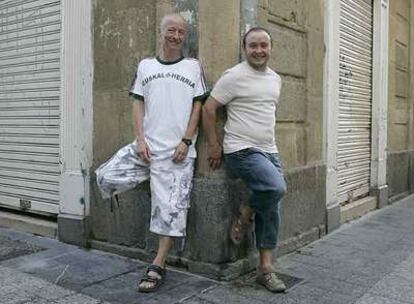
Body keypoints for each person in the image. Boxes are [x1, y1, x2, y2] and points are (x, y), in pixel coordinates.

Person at [95, 13, 207, 293]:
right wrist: (140, 139)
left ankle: (158, 263)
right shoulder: (145, 66)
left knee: (170, 212)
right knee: (105, 177)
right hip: (146, 148)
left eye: (181, 32)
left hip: (177, 153)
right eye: (171, 30)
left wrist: (186, 140)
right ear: (162, 32)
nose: (176, 36)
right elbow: (138, 104)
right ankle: (156, 187)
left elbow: (198, 106)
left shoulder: (193, 67)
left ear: (185, 35)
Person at [202, 27, 287, 293]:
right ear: (244, 48)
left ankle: (266, 269)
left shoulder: (275, 79)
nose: (259, 50)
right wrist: (214, 145)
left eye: (264, 45)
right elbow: (209, 108)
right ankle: (245, 211)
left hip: (269, 151)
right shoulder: (234, 76)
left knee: (271, 207)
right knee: (275, 188)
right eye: (253, 46)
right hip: (241, 150)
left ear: (271, 48)